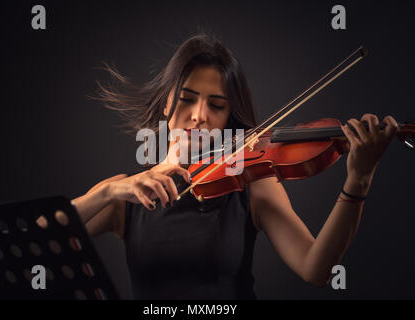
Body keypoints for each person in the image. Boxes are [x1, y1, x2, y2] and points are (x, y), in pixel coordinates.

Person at [70, 34, 399, 299]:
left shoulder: (251, 184)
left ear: (228, 117)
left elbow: (315, 269)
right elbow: (40, 236)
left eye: (216, 105)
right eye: (187, 98)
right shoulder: (124, 194)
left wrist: (358, 180)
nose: (199, 115)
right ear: (167, 101)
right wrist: (108, 191)